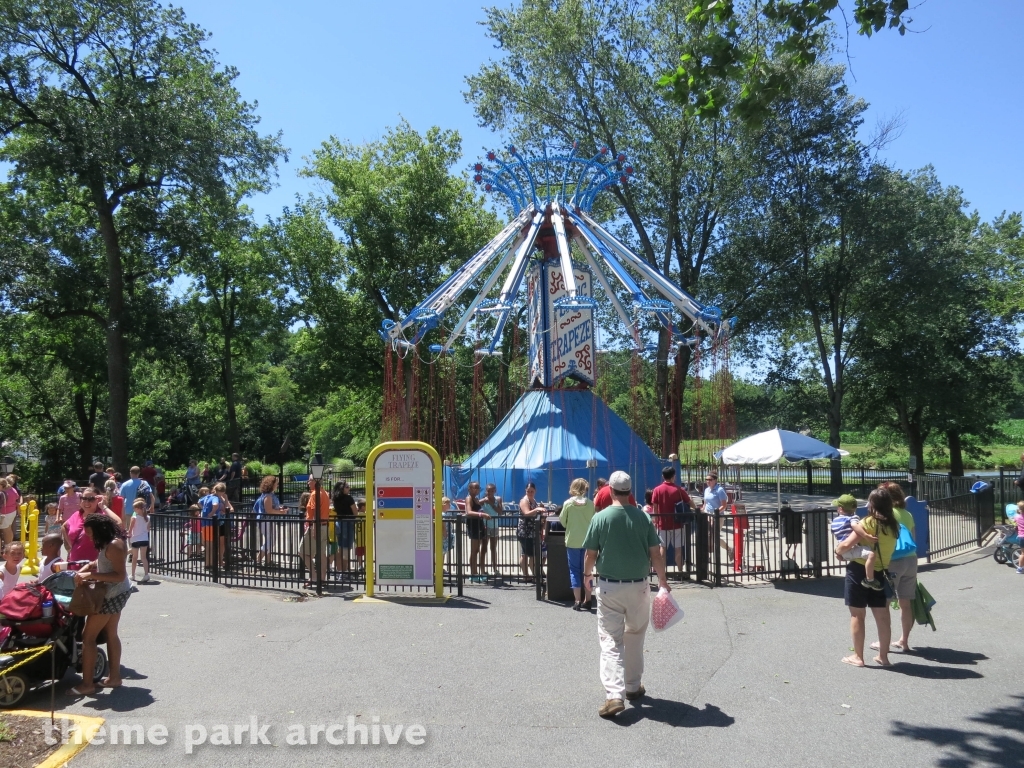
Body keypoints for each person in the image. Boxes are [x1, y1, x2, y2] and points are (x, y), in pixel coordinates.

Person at [583, 471, 669, 719]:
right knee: (635, 635)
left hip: (610, 585)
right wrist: (662, 579)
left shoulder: (601, 518)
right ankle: (632, 685)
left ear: (609, 490)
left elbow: (590, 554)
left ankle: (614, 694)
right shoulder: (643, 517)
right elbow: (656, 553)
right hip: (639, 585)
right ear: (630, 491)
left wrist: (587, 575)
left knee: (611, 640)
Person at [68, 514, 131, 696]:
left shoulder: (114, 545)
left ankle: (87, 684)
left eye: (90, 533)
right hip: (115, 593)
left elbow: (119, 575)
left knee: (88, 637)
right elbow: (106, 562)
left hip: (112, 595)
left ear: (100, 530)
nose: (88, 536)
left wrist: (92, 576)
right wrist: (91, 565)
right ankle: (115, 678)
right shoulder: (108, 543)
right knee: (111, 633)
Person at [841, 488, 898, 668]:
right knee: (882, 617)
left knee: (857, 614)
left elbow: (846, 544)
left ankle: (858, 656)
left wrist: (839, 551)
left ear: (872, 504)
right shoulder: (893, 526)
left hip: (859, 570)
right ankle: (884, 657)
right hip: (880, 572)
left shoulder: (868, 523)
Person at [873, 482, 918, 652]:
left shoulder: (885, 514)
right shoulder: (907, 514)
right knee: (905, 603)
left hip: (892, 561)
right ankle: (904, 641)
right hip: (910, 560)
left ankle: (883, 641)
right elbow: (913, 537)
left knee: (884, 604)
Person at [559, 478, 596, 611]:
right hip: (587, 541)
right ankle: (588, 599)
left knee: (574, 571)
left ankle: (577, 600)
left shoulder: (568, 504)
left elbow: (562, 522)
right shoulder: (591, 504)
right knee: (588, 571)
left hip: (573, 541)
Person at [651, 466, 694, 571]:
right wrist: (697, 509)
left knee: (662, 549)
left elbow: (655, 507)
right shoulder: (679, 490)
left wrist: (656, 520)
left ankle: (662, 573)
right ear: (674, 476)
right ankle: (679, 571)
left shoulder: (657, 490)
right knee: (678, 549)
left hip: (662, 524)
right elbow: (690, 503)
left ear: (663, 476)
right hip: (677, 524)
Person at [63, 489, 122, 563]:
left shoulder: (100, 516)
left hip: (94, 564)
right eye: (84, 498)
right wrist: (71, 546)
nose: (87, 502)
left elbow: (118, 523)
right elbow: (64, 527)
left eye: (91, 499)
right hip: (74, 561)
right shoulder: (77, 515)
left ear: (98, 500)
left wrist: (103, 506)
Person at [830, 495, 877, 583]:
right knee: (871, 554)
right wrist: (866, 535)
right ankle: (870, 579)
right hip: (851, 548)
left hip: (843, 550)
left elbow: (835, 533)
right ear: (854, 509)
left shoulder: (835, 521)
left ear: (840, 509)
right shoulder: (853, 518)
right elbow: (854, 526)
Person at [300, 477, 330, 587]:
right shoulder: (325, 493)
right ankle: (322, 579)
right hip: (324, 526)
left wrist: (314, 528)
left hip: (315, 526)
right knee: (321, 554)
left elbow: (315, 512)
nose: (308, 482)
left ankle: (314, 576)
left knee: (302, 551)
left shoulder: (314, 494)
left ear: (315, 481)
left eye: (309, 480)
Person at [255, 475, 286, 568]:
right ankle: (258, 560)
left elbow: (271, 508)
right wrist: (280, 512)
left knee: (270, 540)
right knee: (271, 541)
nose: (277, 485)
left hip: (267, 520)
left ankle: (268, 561)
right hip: (266, 520)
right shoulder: (268, 496)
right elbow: (269, 510)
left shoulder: (269, 495)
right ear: (271, 484)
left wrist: (279, 508)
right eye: (276, 483)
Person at [517, 483, 546, 582]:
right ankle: (529, 575)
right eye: (528, 491)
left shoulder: (533, 500)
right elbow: (526, 513)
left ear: (535, 491)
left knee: (527, 554)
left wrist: (539, 509)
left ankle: (530, 575)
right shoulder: (524, 500)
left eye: (532, 491)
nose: (530, 493)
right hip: (525, 532)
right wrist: (537, 509)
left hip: (532, 532)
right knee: (529, 554)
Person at [465, 481, 488, 583]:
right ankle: (473, 573)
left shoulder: (477, 499)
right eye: (474, 488)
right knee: (474, 550)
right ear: (469, 489)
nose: (476, 490)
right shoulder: (469, 498)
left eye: (478, 488)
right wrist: (481, 515)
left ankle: (476, 571)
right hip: (473, 526)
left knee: (477, 550)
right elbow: (469, 512)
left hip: (479, 525)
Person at [331, 481, 356, 574]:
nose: (349, 488)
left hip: (339, 522)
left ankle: (339, 570)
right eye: (347, 487)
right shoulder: (349, 498)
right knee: (346, 548)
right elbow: (355, 512)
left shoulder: (335, 499)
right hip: (347, 523)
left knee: (340, 547)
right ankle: (344, 571)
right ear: (342, 488)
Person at [481, 483, 503, 577]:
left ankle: (495, 568)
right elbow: (476, 503)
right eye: (488, 490)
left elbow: (500, 512)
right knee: (484, 547)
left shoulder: (498, 499)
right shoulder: (483, 500)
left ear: (495, 491)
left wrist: (492, 504)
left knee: (493, 548)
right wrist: (484, 501)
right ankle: (482, 570)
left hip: (495, 525)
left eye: (492, 490)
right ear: (486, 491)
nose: (490, 492)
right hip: (485, 526)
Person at [127, 498, 150, 583]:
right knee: (144, 557)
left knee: (135, 557)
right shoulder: (147, 517)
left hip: (135, 538)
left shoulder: (134, 517)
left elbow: (131, 528)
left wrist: (129, 534)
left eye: (135, 508)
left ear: (138, 509)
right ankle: (146, 574)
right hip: (144, 538)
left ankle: (132, 575)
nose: (134, 510)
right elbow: (148, 529)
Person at [0, 477, 17, 549]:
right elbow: (17, 498)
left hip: (4, 513)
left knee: (6, 531)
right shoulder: (12, 489)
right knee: (8, 530)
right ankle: (9, 548)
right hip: (11, 512)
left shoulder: (2, 493)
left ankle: (7, 549)